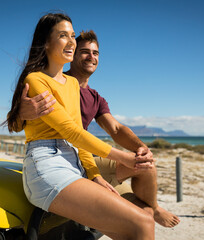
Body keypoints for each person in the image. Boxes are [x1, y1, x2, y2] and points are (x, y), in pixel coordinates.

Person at [5, 13, 156, 239]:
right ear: (46, 42)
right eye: (63, 35)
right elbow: (70, 131)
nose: (71, 41)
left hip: (74, 161)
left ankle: (155, 209)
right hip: (47, 163)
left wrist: (95, 175)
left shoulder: (73, 84)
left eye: (72, 36)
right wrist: (124, 157)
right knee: (142, 224)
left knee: (141, 223)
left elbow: (83, 134)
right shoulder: (36, 79)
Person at [18, 30, 180, 228]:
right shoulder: (55, 82)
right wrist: (21, 113)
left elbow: (116, 129)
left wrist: (141, 148)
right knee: (139, 212)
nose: (91, 57)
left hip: (86, 156)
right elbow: (35, 124)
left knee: (147, 169)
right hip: (63, 156)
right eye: (85, 51)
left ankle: (153, 208)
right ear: (72, 54)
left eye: (95, 53)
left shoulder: (95, 97)